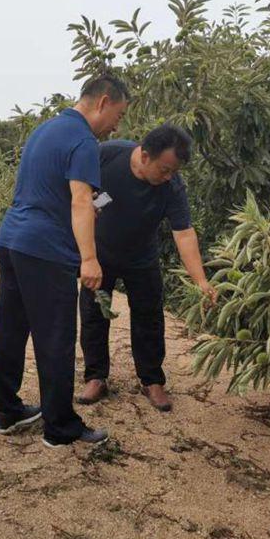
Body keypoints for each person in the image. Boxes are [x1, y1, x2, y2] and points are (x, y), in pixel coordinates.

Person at [0, 74, 129, 449]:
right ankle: (60, 426)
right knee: (56, 338)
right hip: (47, 248)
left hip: (13, 240)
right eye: (117, 114)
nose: (117, 125)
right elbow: (80, 200)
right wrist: (89, 259)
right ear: (102, 102)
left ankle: (4, 411)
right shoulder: (83, 140)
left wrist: (99, 207)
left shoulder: (46, 130)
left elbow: (57, 187)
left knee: (11, 329)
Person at [78, 124, 217, 411]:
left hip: (142, 256)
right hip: (98, 252)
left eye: (174, 171)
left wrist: (201, 280)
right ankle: (96, 377)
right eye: (165, 169)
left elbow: (184, 233)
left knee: (149, 317)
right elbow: (76, 191)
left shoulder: (172, 186)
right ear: (144, 155)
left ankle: (152, 380)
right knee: (93, 313)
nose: (169, 176)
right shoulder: (107, 156)